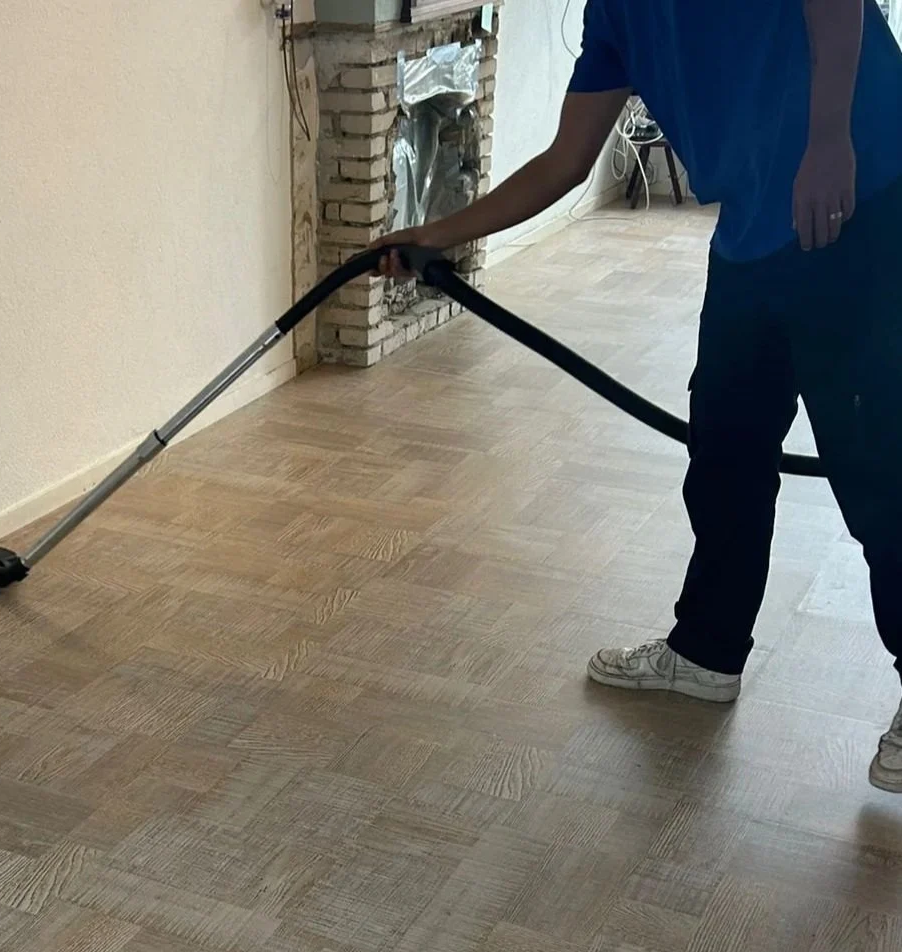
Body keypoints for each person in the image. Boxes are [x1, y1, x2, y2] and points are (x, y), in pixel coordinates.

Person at [376, 1, 902, 793]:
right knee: (724, 451)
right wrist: (433, 235)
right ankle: (704, 651)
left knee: (877, 468)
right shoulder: (616, 13)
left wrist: (828, 138)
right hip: (754, 235)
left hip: (860, 202)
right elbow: (564, 160)